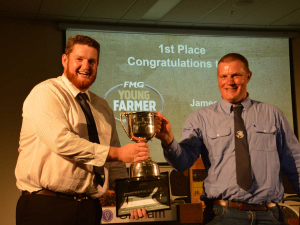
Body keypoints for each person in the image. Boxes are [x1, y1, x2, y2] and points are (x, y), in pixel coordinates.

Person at [15, 35, 149, 225]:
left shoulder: (102, 107)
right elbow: (61, 141)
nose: (86, 66)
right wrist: (116, 153)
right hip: (45, 207)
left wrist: (129, 196)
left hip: (89, 208)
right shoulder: (46, 93)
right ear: (65, 60)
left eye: (92, 61)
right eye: (79, 59)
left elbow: (116, 164)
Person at [155, 53, 300, 225]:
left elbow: (295, 164)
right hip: (223, 215)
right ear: (218, 78)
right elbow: (182, 163)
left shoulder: (273, 114)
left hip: (270, 215)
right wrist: (167, 139)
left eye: (235, 76)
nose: (229, 82)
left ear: (248, 76)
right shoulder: (200, 118)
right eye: (223, 76)